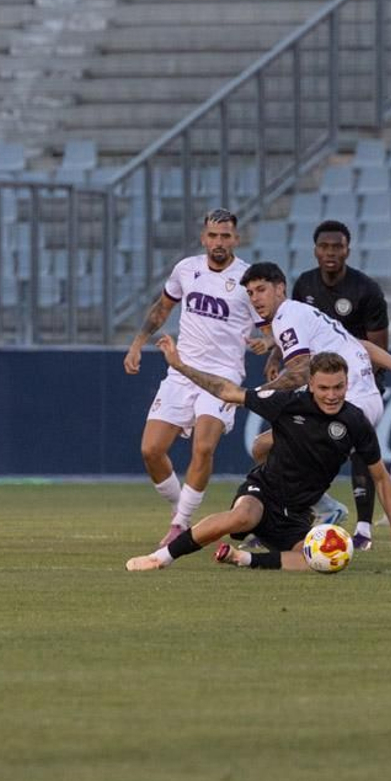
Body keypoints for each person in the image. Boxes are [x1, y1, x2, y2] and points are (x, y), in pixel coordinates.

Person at [126, 339, 391, 571]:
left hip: (296, 514)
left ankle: (245, 559)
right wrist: (179, 366)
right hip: (263, 493)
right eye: (324, 387)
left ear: (347, 384)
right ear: (311, 384)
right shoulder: (287, 403)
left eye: (339, 387)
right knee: (243, 517)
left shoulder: (355, 422)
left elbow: (381, 477)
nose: (332, 394)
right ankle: (161, 558)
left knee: (327, 560)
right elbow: (227, 391)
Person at [244, 261, 391, 548]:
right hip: (362, 399)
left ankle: (315, 512)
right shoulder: (305, 314)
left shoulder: (287, 317)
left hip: (345, 399)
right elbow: (360, 345)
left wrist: (256, 395)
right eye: (250, 293)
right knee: (265, 447)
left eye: (261, 290)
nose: (255, 298)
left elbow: (300, 371)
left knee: (272, 450)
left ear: (280, 288)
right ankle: (320, 512)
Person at [123, 209, 265, 545]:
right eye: (213, 235)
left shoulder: (247, 279)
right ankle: (180, 511)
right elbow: (162, 308)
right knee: (151, 450)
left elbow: (271, 321)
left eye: (225, 236)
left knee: (203, 447)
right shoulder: (186, 270)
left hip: (222, 376)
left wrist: (268, 342)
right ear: (203, 238)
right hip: (182, 371)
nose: (219, 242)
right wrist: (137, 344)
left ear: (236, 239)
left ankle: (180, 524)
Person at [291, 220, 390, 543]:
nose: (331, 252)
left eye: (337, 247)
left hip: (357, 384)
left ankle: (364, 527)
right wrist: (277, 359)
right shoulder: (304, 285)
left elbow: (377, 345)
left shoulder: (366, 290)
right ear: (315, 250)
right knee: (294, 445)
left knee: (361, 445)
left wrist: (361, 388)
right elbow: (297, 336)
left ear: (348, 249)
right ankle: (311, 510)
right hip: (317, 385)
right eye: (325, 246)